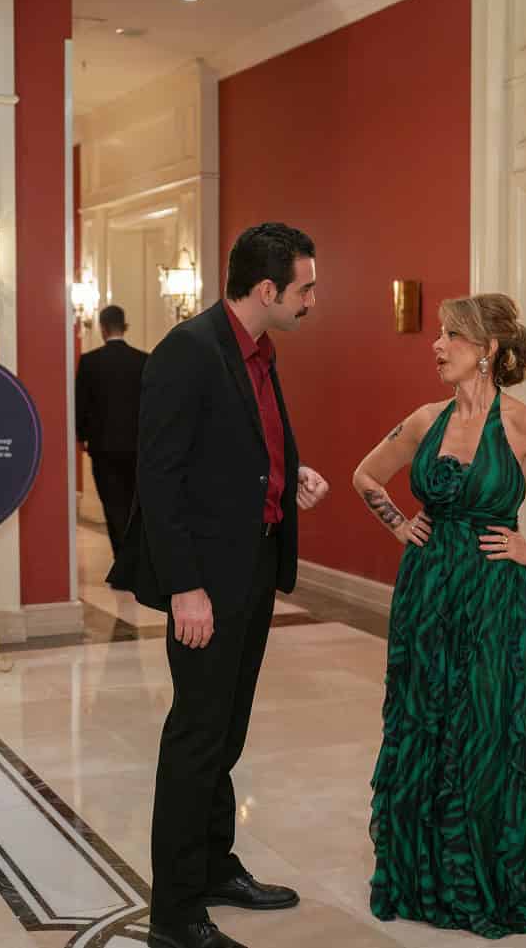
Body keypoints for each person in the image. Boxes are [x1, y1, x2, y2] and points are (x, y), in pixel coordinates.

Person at [352, 293, 526, 939]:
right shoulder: (424, 419)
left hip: (493, 597)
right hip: (426, 592)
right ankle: (423, 874)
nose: (437, 346)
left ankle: (485, 875)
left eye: (452, 336)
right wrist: (400, 524)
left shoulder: (525, 424)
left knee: (486, 724)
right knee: (423, 719)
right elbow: (366, 476)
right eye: (439, 334)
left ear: (488, 350)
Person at [111, 223, 331, 948]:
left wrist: (288, 476)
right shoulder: (189, 349)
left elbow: (240, 447)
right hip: (206, 579)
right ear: (267, 289)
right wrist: (185, 587)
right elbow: (160, 476)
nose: (311, 301)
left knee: (226, 729)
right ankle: (175, 914)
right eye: (304, 288)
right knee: (197, 736)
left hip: (253, 566)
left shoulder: (257, 350)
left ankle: (212, 865)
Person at [75, 304, 149, 562]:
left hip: (103, 447)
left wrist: (81, 437)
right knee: (133, 504)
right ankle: (135, 560)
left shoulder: (90, 362)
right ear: (124, 327)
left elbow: (80, 404)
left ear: (102, 328)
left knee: (112, 505)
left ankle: (123, 560)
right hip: (137, 447)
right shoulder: (143, 360)